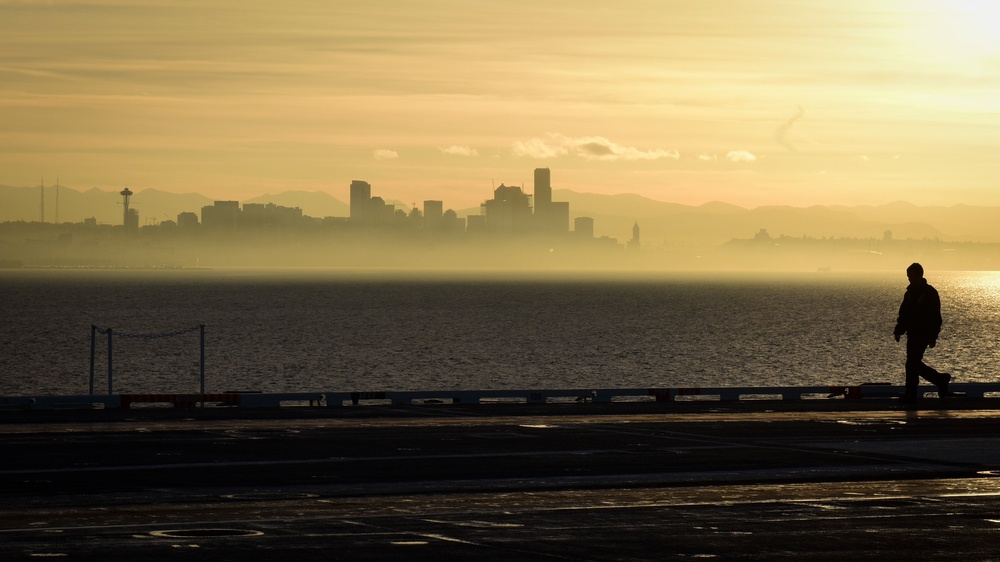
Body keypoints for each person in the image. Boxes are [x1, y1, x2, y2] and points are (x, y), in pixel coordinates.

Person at [893, 262, 952, 402]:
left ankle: (913, 393)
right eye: (908, 277)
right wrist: (898, 330)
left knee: (912, 363)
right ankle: (939, 380)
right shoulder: (908, 294)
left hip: (923, 334)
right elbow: (904, 314)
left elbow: (936, 317)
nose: (910, 280)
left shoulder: (930, 293)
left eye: (912, 277)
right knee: (912, 363)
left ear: (920, 276)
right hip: (912, 334)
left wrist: (933, 336)